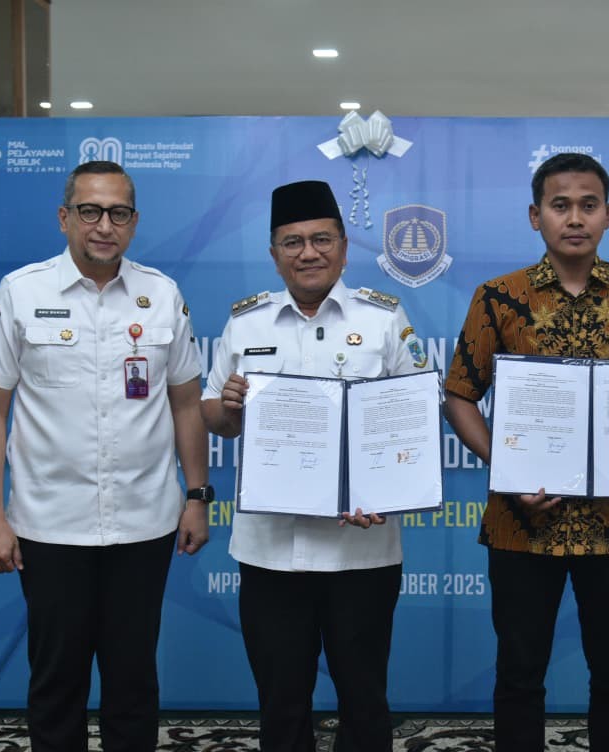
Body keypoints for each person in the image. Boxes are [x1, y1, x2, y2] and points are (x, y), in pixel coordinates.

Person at [443, 152, 609, 751]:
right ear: (535, 215)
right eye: (560, 205)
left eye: (588, 206)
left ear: (608, 214)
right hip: (522, 522)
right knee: (519, 674)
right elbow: (459, 396)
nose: (575, 219)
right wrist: (507, 469)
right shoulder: (498, 298)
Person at [0, 160, 212, 752]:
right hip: (50, 525)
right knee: (57, 683)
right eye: (90, 211)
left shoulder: (162, 295)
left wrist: (197, 496)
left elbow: (186, 404)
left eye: (118, 213)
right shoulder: (22, 293)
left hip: (144, 523)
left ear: (134, 222)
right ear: (64, 218)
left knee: (133, 681)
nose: (105, 225)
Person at [201, 180, 429, 752]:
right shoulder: (246, 323)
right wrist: (228, 407)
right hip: (270, 551)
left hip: (362, 551)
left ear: (345, 248)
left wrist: (386, 493)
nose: (309, 252)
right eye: (293, 241)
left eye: (322, 239)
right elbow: (212, 415)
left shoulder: (383, 317)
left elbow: (413, 418)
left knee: (365, 700)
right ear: (274, 253)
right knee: (280, 703)